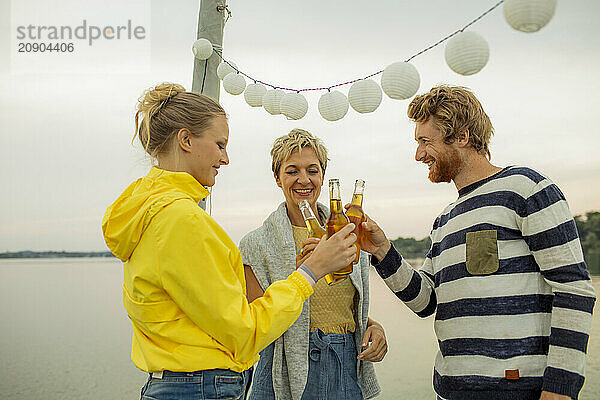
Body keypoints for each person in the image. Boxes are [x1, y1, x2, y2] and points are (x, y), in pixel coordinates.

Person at [101, 83, 358, 400]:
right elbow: (245, 332)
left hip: (177, 382)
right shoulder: (181, 220)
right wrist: (311, 272)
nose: (225, 158)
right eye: (220, 144)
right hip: (198, 387)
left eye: (312, 170)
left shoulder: (148, 210)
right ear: (185, 140)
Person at [358, 85, 596, 400]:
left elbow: (574, 288)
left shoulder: (525, 189)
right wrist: (381, 250)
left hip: (519, 391)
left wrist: (559, 389)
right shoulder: (444, 220)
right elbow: (425, 301)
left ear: (462, 137)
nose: (418, 155)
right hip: (450, 391)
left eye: (425, 142)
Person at [239, 129, 386, 400]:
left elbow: (342, 309)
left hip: (345, 363)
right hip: (283, 370)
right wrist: (303, 273)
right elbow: (256, 326)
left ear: (323, 176)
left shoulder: (348, 234)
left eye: (312, 170)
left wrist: (372, 326)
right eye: (292, 171)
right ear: (277, 178)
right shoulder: (255, 244)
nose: (303, 180)